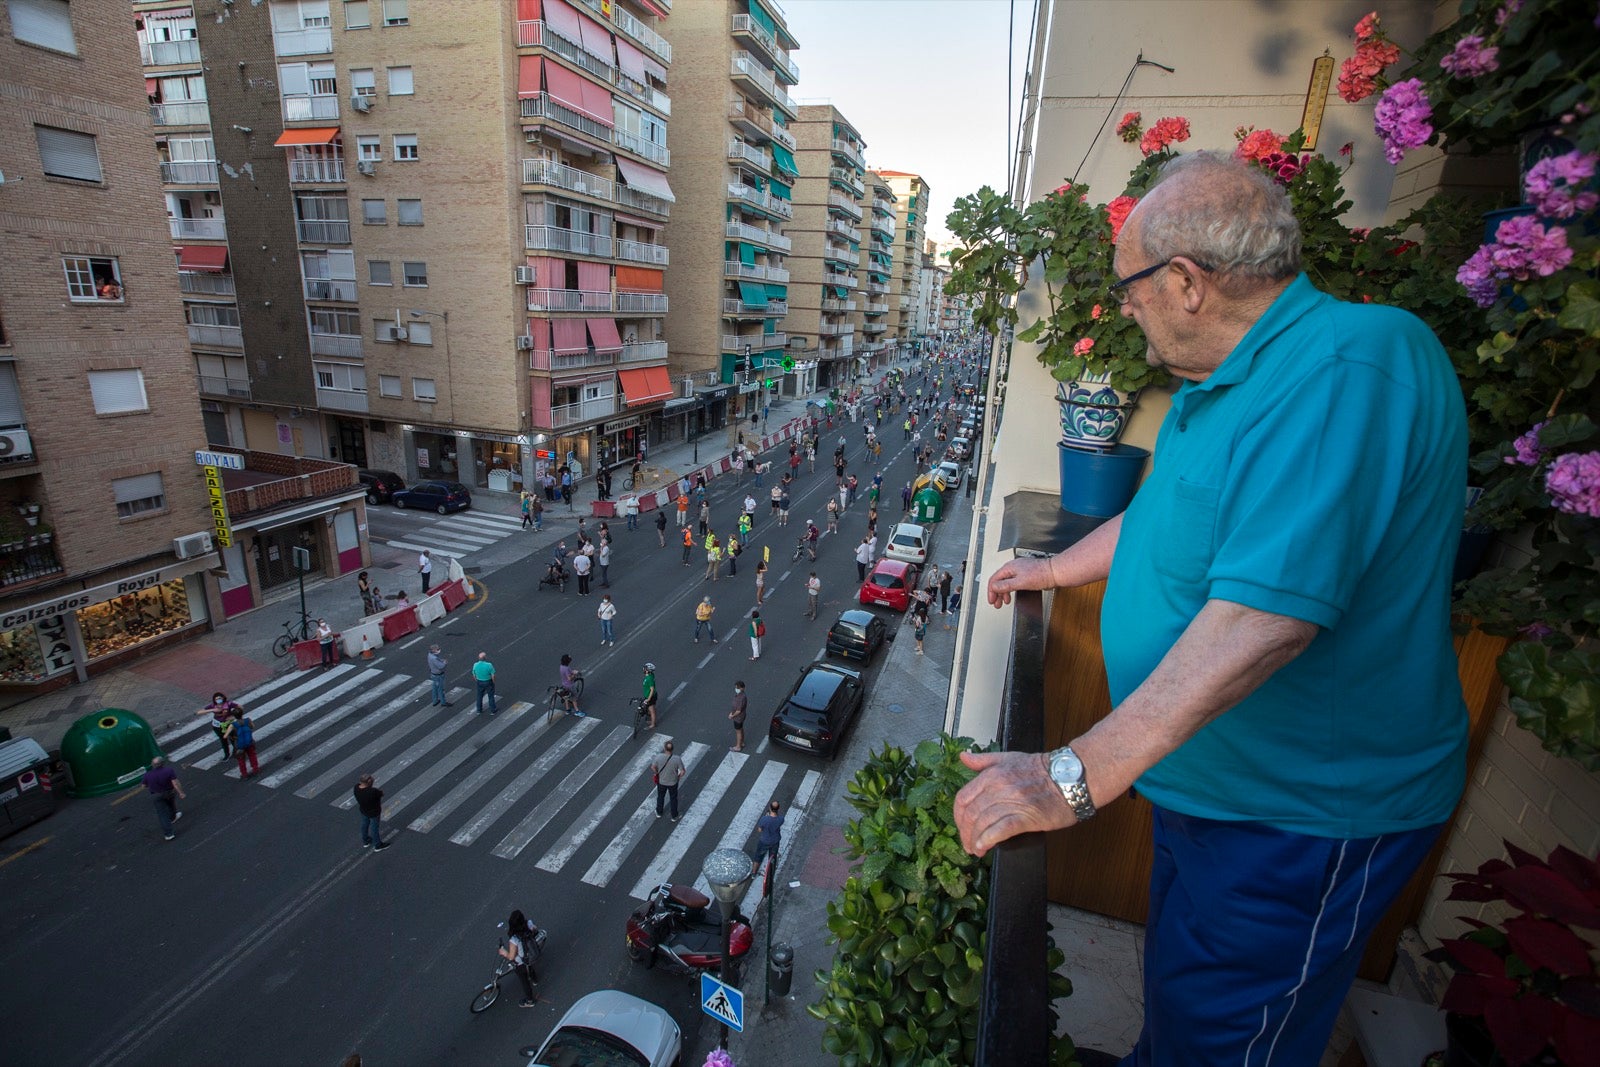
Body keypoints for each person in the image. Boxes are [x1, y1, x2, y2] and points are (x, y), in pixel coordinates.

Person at [953, 152, 1470, 1066]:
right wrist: (1059, 565)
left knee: (1230, 1043)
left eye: (1127, 287)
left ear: (1185, 281)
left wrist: (1071, 777)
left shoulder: (1349, 365)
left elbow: (1265, 620)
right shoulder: (1219, 387)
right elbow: (1165, 521)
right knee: (1185, 1005)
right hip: (1215, 790)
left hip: (1301, 821)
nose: (1120, 307)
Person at [499, 910, 542, 1007]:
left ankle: (530, 1001)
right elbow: (535, 929)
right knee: (530, 967)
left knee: (524, 981)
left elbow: (511, 956)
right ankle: (535, 979)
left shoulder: (514, 939)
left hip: (521, 963)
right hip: (531, 955)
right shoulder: (529, 924)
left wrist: (503, 952)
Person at [143, 756, 186, 841]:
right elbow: (175, 783)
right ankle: (173, 816)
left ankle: (169, 834)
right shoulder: (169, 770)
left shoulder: (147, 774)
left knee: (162, 814)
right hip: (169, 792)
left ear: (152, 765)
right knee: (171, 803)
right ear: (162, 764)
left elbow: (144, 785)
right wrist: (181, 793)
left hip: (156, 795)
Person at [196, 692, 239, 760]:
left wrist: (234, 716)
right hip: (217, 726)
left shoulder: (229, 704)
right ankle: (226, 754)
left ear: (223, 698)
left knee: (233, 738)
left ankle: (236, 751)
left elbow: (240, 707)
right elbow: (199, 712)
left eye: (219, 698)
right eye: (216, 699)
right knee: (223, 740)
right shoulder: (213, 705)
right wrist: (213, 710)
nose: (218, 700)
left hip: (228, 724)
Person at [651, 740, 686, 822]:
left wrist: (657, 772)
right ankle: (674, 816)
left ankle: (659, 812)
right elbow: (683, 771)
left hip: (661, 782)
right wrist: (678, 777)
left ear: (664, 749)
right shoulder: (677, 759)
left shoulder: (659, 757)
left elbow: (653, 767)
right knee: (673, 799)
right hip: (673, 783)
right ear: (672, 749)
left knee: (660, 796)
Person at [353, 773, 388, 850]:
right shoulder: (372, 791)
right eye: (371, 779)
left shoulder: (356, 788)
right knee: (374, 828)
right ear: (369, 781)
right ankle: (378, 845)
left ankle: (366, 840)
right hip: (374, 812)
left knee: (364, 824)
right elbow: (381, 794)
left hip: (363, 810)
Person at [751, 800, 784, 875]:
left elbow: (760, 830)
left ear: (770, 808)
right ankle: (770, 873)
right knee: (772, 857)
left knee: (758, 856)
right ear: (778, 809)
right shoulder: (781, 819)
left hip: (764, 841)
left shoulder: (764, 819)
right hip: (775, 841)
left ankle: (753, 872)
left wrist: (766, 817)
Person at [231, 706, 259, 778]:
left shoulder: (233, 725)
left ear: (234, 716)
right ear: (242, 714)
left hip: (239, 744)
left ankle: (244, 774)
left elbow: (225, 736)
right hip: (249, 742)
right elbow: (252, 727)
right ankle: (255, 768)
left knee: (241, 759)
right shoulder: (248, 720)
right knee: (252, 755)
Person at [641, 662, 659, 730]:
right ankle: (652, 720)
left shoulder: (649, 678)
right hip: (650, 695)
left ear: (648, 670)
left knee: (652, 711)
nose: (644, 669)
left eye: (645, 668)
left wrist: (648, 699)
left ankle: (653, 724)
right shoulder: (650, 675)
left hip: (650, 696)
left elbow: (652, 689)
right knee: (650, 709)